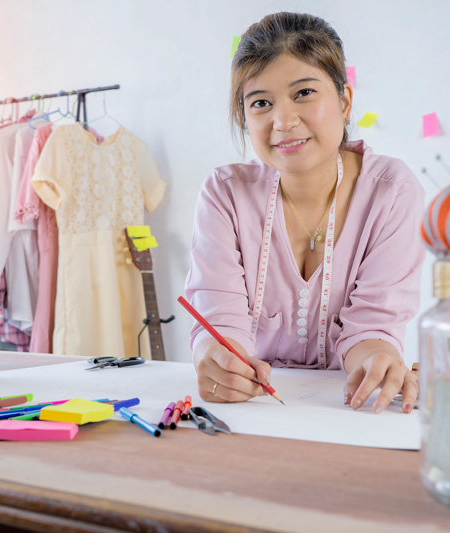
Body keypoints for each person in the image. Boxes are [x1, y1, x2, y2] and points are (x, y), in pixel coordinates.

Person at [184, 12, 425, 414]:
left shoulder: (392, 192)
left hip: (344, 414)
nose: (283, 121)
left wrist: (377, 360)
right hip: (253, 411)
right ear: (245, 117)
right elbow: (219, 322)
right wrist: (216, 357)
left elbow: (372, 329)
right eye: (261, 102)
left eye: (304, 93)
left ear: (345, 100)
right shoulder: (225, 193)